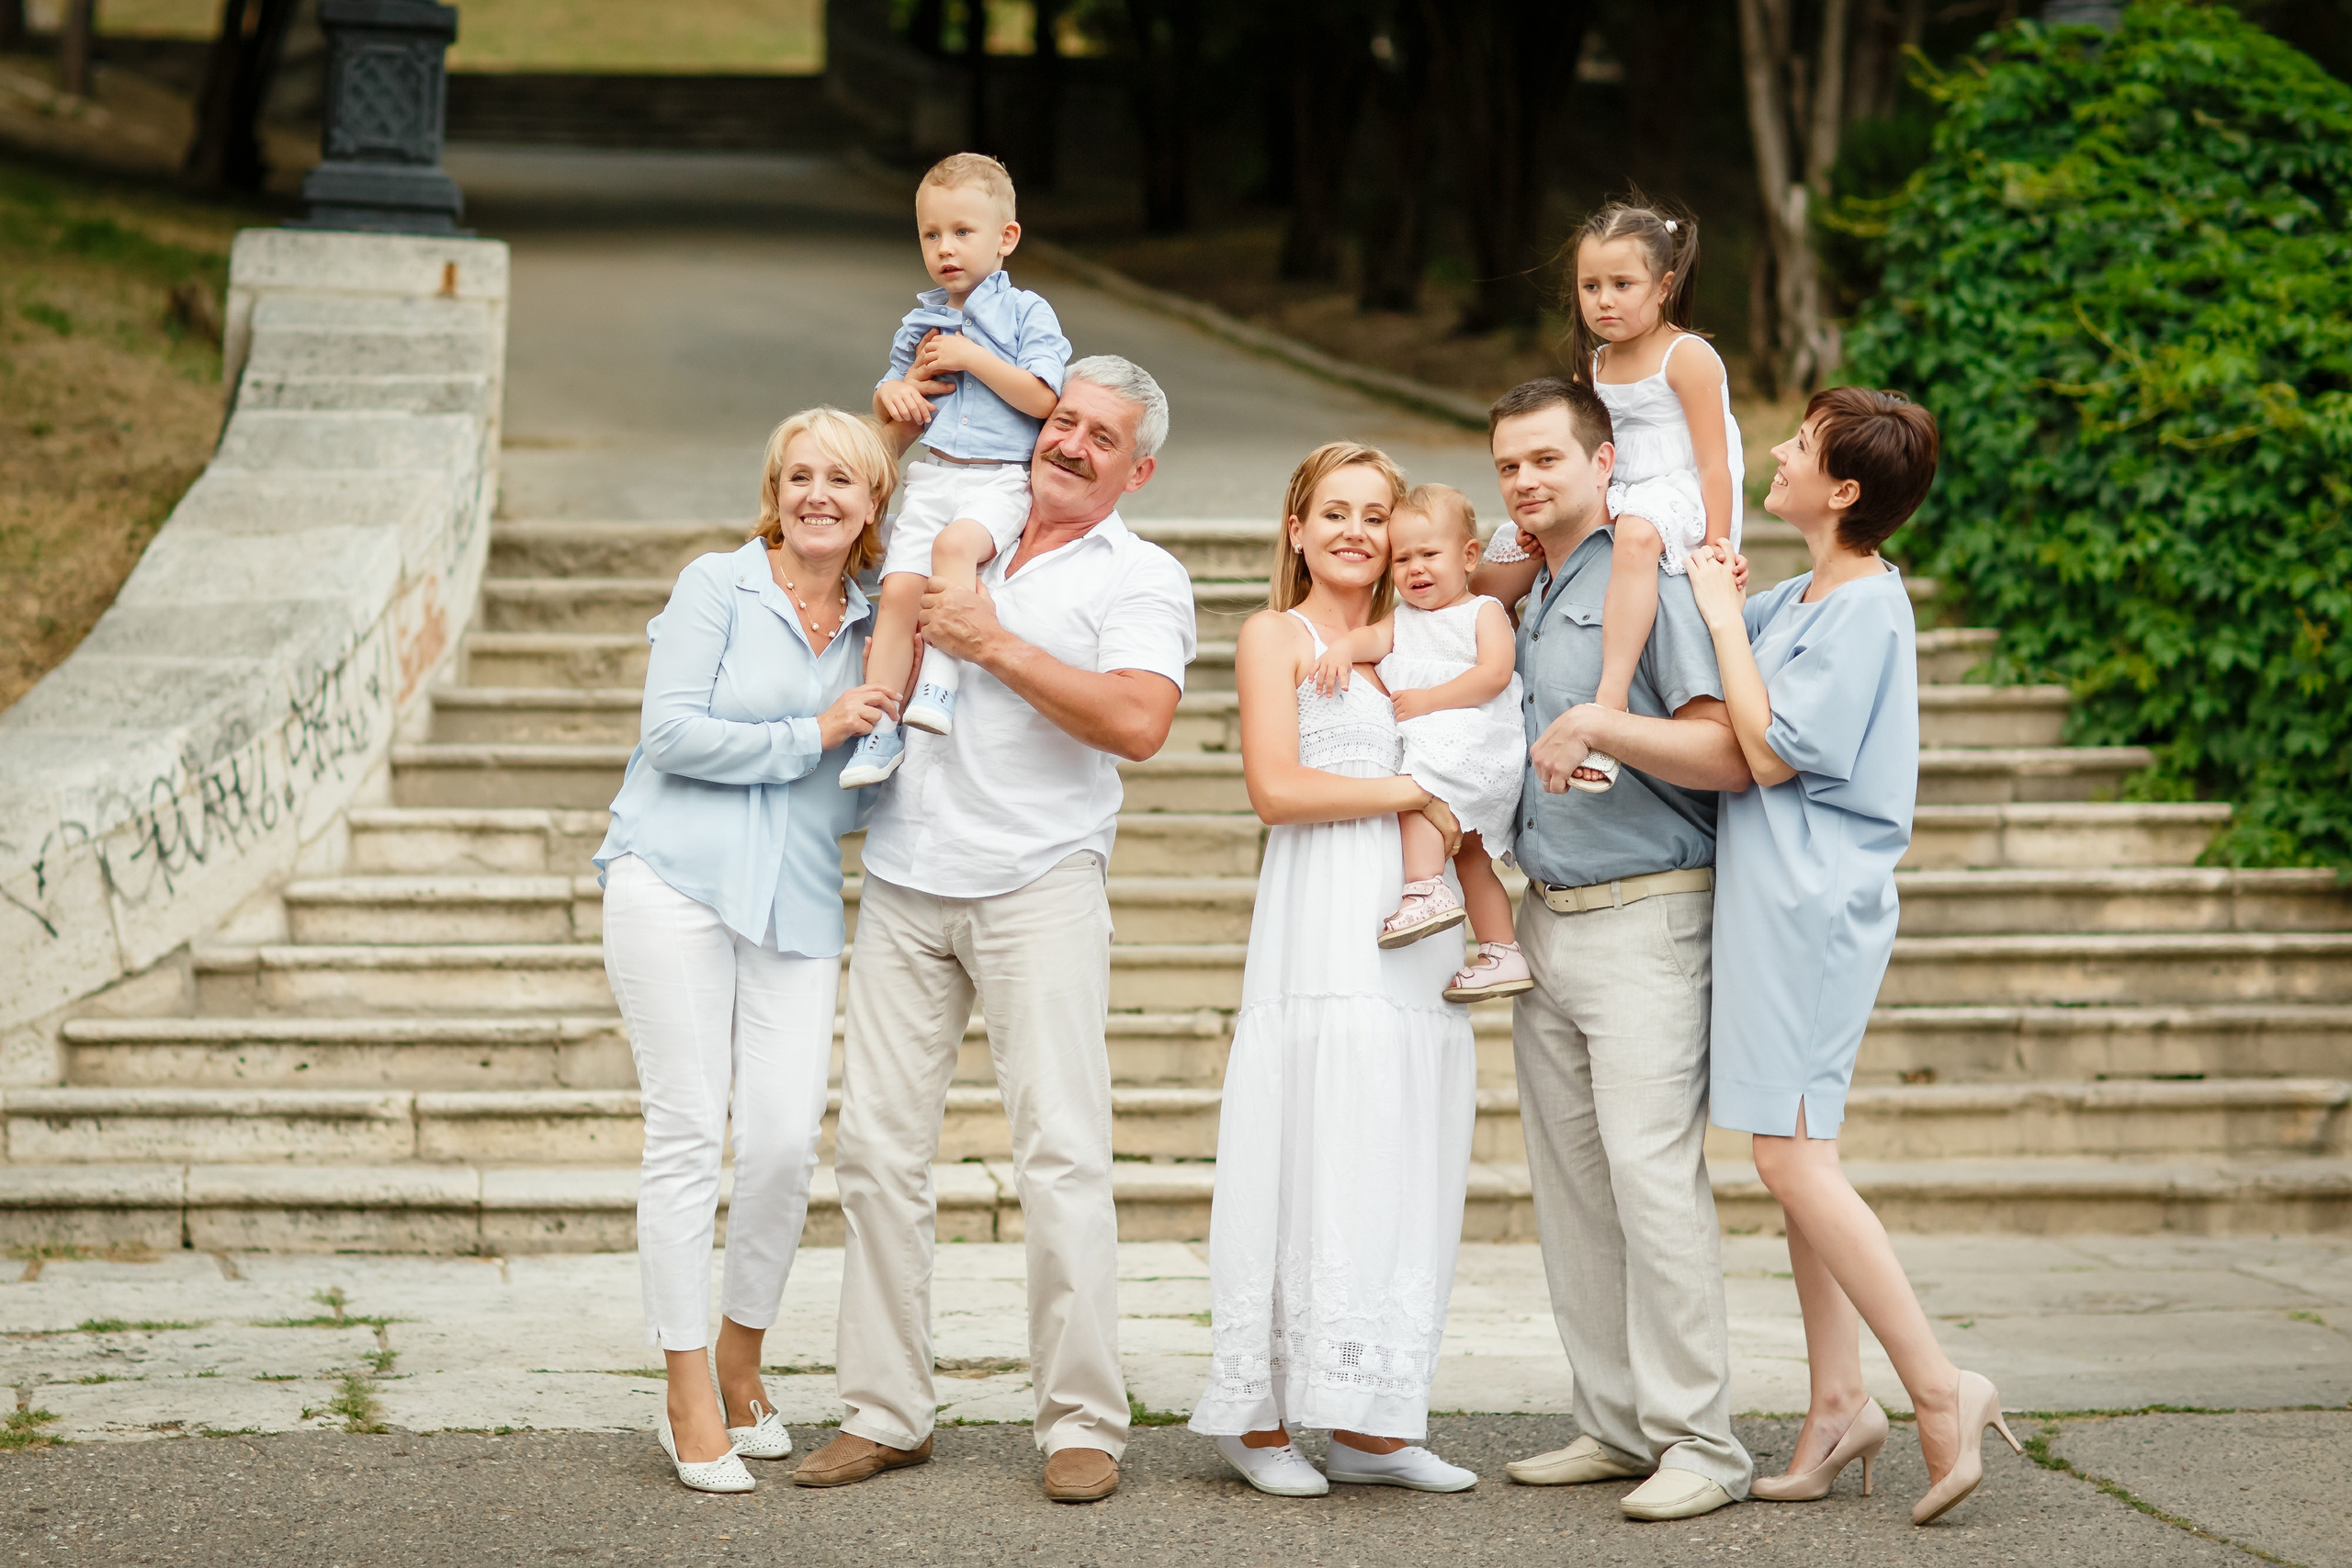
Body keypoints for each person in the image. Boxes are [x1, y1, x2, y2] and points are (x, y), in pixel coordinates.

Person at [795, 357, 1194, 1505]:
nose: (1070, 444)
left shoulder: (1142, 576)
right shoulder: (964, 519)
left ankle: (1082, 1423)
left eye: (1102, 438)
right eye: (1063, 420)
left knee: (1060, 1156)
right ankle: (885, 1411)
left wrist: (994, 645)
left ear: (1136, 472)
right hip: (907, 870)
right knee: (875, 1152)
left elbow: (1139, 722)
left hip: (1038, 879)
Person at [1687, 388, 2019, 1525]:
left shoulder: (1869, 607)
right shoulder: (1799, 596)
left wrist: (1720, 621)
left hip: (1815, 908)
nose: (1776, 453)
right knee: (1796, 1159)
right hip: (1773, 901)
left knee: (1791, 1162)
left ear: (1840, 491)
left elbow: (1771, 751)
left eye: (1799, 445)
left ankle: (1938, 1387)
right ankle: (1837, 1402)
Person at [592, 408, 903, 1495]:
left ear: (872, 503)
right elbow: (670, 732)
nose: (818, 495)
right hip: (674, 879)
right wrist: (813, 732)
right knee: (688, 1133)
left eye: (842, 480)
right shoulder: (715, 586)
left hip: (797, 901)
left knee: (778, 1144)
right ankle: (686, 1395)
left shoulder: (878, 622)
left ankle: (740, 1357)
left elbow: (862, 790)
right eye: (799, 475)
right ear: (775, 492)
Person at [1476, 378, 1756, 1522]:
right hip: (1545, 918)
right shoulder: (1531, 591)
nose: (1525, 480)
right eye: (1509, 465)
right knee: (1574, 1191)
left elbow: (1726, 751)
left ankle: (1703, 1445)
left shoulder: (1653, 573)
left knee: (1650, 1182)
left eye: (1546, 458)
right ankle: (1616, 1423)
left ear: (1603, 463)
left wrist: (1602, 724)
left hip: (1649, 915)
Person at [1190, 444, 1482, 1498]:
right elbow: (1276, 789)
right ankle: (1257, 1416)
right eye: (1335, 512)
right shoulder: (1277, 635)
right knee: (1308, 1134)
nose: (1356, 531)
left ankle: (1371, 1423)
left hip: (1417, 917)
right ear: (1297, 529)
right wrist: (1416, 792)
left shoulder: (1427, 637)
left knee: (1397, 1139)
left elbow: (1501, 574)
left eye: (1375, 514)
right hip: (1321, 912)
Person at [1484, 199, 1743, 793]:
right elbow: (1586, 451)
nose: (1604, 300)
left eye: (1623, 285)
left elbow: (1715, 462)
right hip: (1620, 484)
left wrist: (1719, 545)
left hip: (1679, 491)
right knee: (1526, 537)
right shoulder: (1595, 365)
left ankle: (1611, 697)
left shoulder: (1687, 356)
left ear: (1664, 286)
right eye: (1590, 286)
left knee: (1634, 533)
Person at [846, 151, 1074, 786]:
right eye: (931, 234)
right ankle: (879, 724)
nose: (945, 248)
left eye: (962, 232)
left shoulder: (1028, 313)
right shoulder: (921, 322)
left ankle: (939, 684)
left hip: (999, 478)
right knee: (898, 589)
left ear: (1006, 238)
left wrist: (972, 358)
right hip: (936, 473)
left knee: (955, 550)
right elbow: (892, 393)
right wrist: (892, 394)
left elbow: (1044, 397)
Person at [1306, 483, 1532, 1001]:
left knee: (1415, 796)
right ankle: (1503, 953)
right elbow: (1371, 639)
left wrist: (1430, 700)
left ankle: (1425, 888)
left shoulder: (1484, 612)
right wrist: (1341, 648)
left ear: (1469, 556)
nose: (1415, 569)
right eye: (1402, 559)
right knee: (1472, 859)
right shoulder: (1404, 620)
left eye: (1429, 555)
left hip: (1478, 742)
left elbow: (1496, 674)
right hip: (1450, 744)